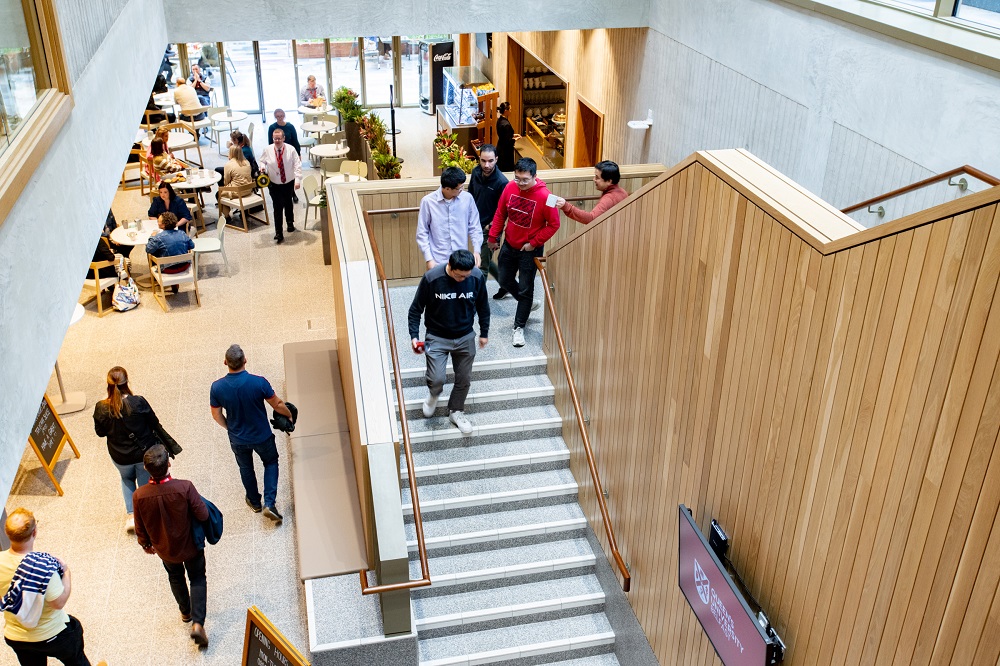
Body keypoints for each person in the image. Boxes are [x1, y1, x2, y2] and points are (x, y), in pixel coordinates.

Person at [0, 508, 102, 666]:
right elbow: (58, 602)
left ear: (7, 534)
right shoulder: (44, 567)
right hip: (51, 635)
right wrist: (67, 573)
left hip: (16, 636)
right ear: (34, 532)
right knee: (75, 648)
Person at [132, 445, 210, 647]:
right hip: (191, 545)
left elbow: (139, 526)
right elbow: (203, 514)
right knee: (198, 578)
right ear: (169, 464)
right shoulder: (185, 487)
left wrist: (145, 544)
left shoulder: (139, 495)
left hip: (164, 548)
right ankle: (198, 623)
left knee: (175, 577)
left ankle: (185, 612)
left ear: (146, 468)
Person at [408, 249, 490, 435]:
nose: (463, 279)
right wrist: (414, 336)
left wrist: (483, 332)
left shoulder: (475, 276)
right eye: (459, 276)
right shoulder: (432, 278)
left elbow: (483, 306)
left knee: (464, 378)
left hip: (465, 335)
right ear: (450, 267)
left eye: (466, 276)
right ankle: (433, 395)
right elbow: (415, 310)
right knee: (437, 378)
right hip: (436, 336)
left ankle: (456, 411)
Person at [210, 344, 292, 522]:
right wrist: (289, 415)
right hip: (262, 436)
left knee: (246, 468)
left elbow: (216, 415)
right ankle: (269, 503)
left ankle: (254, 502)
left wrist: (230, 428)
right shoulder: (259, 382)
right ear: (245, 360)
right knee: (270, 462)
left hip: (238, 439)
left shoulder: (217, 388)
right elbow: (277, 405)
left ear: (225, 362)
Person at [488, 157, 559, 347]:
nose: (520, 183)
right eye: (517, 178)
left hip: (529, 249)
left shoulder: (547, 196)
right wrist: (493, 237)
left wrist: (533, 243)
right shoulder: (510, 187)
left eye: (525, 179)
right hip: (509, 244)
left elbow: (554, 224)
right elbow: (500, 212)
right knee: (503, 279)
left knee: (526, 288)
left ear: (535, 176)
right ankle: (526, 303)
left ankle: (518, 327)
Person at [93, 366, 162, 533]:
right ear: (126, 382)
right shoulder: (138, 402)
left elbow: (100, 433)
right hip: (143, 452)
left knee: (126, 479)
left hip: (120, 456)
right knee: (144, 482)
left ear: (108, 385)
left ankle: (132, 516)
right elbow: (154, 422)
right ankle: (147, 515)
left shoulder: (101, 407)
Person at [416, 167, 482, 271]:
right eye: (459, 188)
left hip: (461, 259)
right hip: (438, 260)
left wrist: (476, 250)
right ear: (447, 188)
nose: (462, 190)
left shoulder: (467, 198)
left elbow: (475, 227)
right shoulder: (428, 202)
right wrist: (429, 259)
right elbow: (422, 233)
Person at [467, 144, 509, 291]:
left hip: (490, 228)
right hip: (474, 225)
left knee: (482, 267)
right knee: (484, 258)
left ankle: (476, 301)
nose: (487, 165)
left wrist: (491, 228)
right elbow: (470, 197)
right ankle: (506, 285)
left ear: (496, 159)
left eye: (490, 161)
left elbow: (504, 211)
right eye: (483, 161)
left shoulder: (502, 182)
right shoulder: (475, 173)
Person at [259, 128, 302, 244]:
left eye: (279, 138)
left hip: (288, 182)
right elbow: (262, 160)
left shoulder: (291, 149)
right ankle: (278, 233)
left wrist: (297, 180)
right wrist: (262, 167)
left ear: (283, 138)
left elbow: (297, 165)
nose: (277, 141)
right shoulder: (268, 149)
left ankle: (290, 223)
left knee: (288, 203)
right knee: (277, 207)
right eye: (275, 139)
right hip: (274, 184)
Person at [555, 161, 629, 224]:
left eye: (597, 177)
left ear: (609, 181)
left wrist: (567, 207)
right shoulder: (623, 192)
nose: (594, 179)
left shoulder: (608, 199)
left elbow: (592, 219)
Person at [145, 212, 195, 287]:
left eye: (159, 221)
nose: (157, 223)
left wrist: (152, 237)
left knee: (154, 252)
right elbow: (192, 246)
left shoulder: (158, 238)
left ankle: (157, 281)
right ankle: (174, 283)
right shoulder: (182, 233)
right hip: (185, 265)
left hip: (168, 269)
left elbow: (148, 249)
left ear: (164, 224)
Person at [267, 109, 301, 204]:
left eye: (281, 116)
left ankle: (292, 193)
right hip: (278, 153)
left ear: (284, 116)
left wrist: (298, 154)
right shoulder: (272, 127)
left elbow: (295, 141)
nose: (280, 118)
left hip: (289, 154)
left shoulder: (290, 126)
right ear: (275, 117)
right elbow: (270, 142)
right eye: (278, 116)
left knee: (291, 173)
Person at [218, 145, 254, 218]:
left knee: (219, 193)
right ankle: (244, 212)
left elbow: (226, 182)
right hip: (248, 190)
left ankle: (227, 216)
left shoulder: (229, 164)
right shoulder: (247, 162)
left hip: (237, 192)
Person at [495, 102, 519, 172]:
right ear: (506, 110)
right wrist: (515, 139)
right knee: (506, 169)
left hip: (500, 147)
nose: (511, 111)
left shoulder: (499, 120)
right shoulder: (506, 124)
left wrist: (513, 135)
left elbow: (503, 135)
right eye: (510, 109)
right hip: (505, 151)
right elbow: (508, 141)